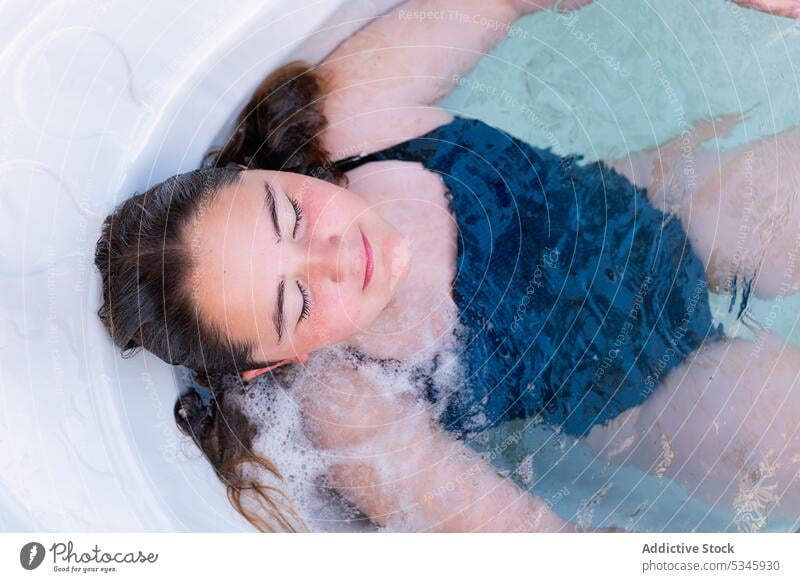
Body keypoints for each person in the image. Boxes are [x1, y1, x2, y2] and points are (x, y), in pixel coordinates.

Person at [95, 0, 800, 531]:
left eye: (293, 214)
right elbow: (529, 544)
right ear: (274, 363)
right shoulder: (350, 408)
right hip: (653, 388)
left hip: (652, 209)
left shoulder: (348, 120)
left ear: (265, 171)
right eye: (298, 302)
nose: (336, 255)